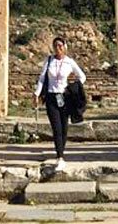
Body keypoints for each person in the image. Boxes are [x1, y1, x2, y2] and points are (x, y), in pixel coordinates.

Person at [33, 35, 86, 169]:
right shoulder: (49, 60)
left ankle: (61, 152)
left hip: (64, 97)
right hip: (51, 97)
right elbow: (42, 78)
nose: (58, 48)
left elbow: (82, 76)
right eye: (56, 46)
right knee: (56, 127)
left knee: (64, 128)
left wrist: (73, 87)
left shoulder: (69, 62)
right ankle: (60, 157)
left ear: (65, 47)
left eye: (60, 46)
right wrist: (36, 94)